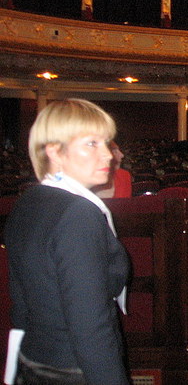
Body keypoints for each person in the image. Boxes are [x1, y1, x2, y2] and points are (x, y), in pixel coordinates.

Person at [4, 99, 130, 385]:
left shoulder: (29, 201)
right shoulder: (78, 214)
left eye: (106, 143)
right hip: (76, 369)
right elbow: (91, 327)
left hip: (36, 358)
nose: (108, 156)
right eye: (91, 144)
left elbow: (20, 305)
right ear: (55, 152)